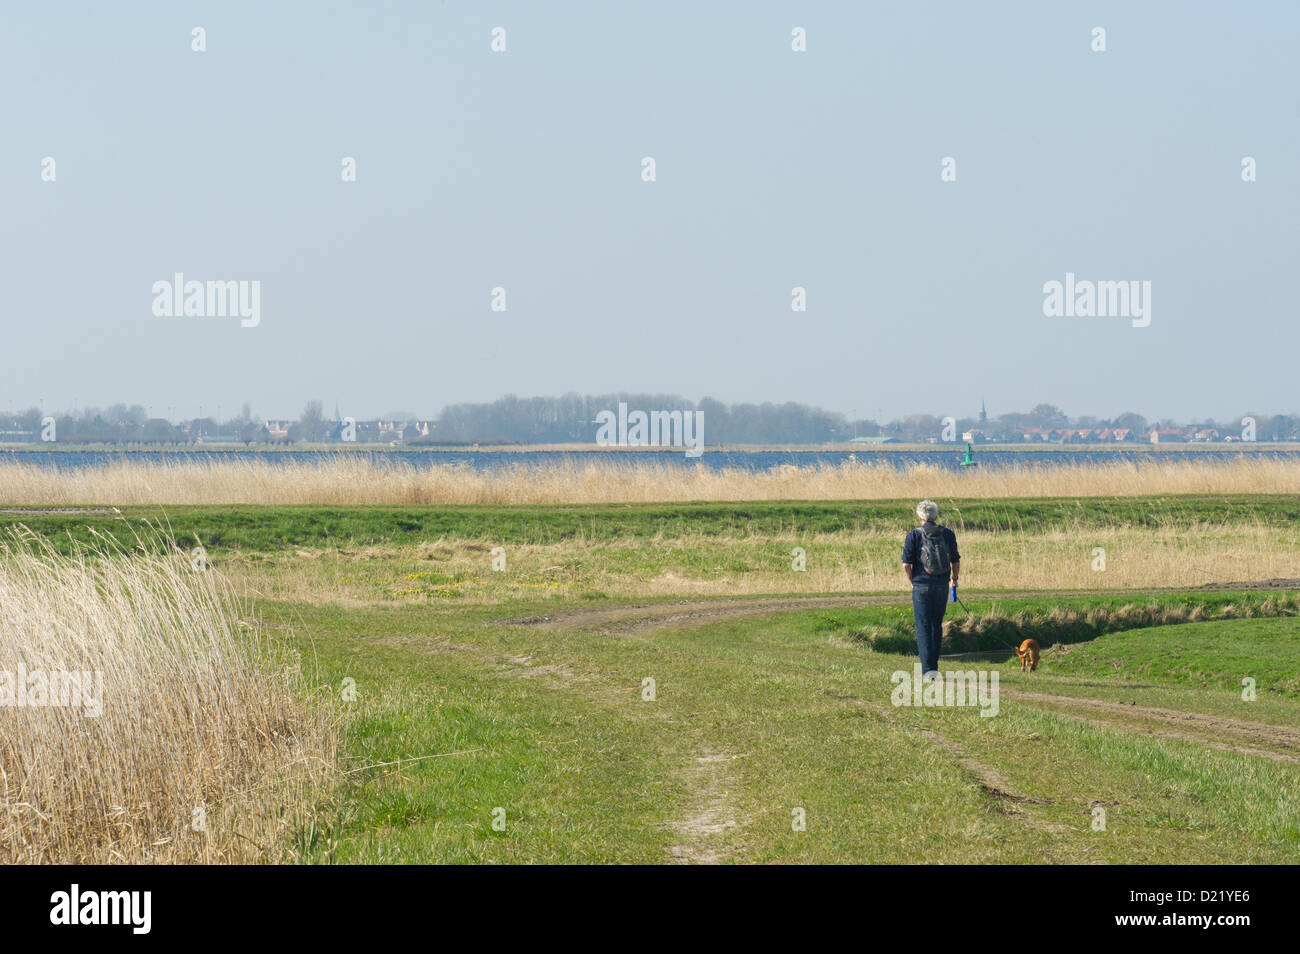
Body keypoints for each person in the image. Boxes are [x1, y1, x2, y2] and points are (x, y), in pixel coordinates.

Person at [901, 500, 960, 680]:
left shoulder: (914, 535)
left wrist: (913, 582)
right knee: (936, 626)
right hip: (942, 586)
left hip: (921, 586)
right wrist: (954, 581)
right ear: (935, 516)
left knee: (923, 628)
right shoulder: (948, 534)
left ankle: (928, 671)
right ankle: (934, 667)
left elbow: (906, 564)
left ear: (920, 516)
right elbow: (955, 562)